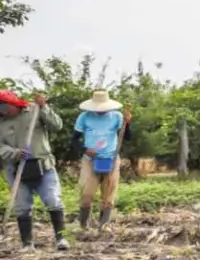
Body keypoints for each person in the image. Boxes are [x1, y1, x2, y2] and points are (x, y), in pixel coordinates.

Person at [0, 90, 67, 251]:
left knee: (53, 200)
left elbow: (57, 125)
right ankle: (27, 244)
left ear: (10, 104)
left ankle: (61, 238)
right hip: (16, 169)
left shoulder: (34, 110)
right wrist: (14, 152)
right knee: (22, 206)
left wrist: (44, 107)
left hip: (43, 165)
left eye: (2, 106)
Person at [72, 89, 132, 231]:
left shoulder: (117, 116)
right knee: (87, 193)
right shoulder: (84, 117)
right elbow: (74, 140)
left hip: (111, 158)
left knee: (109, 193)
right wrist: (85, 149)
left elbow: (127, 137)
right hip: (90, 159)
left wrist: (127, 124)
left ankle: (103, 225)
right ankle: (83, 225)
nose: (100, 111)